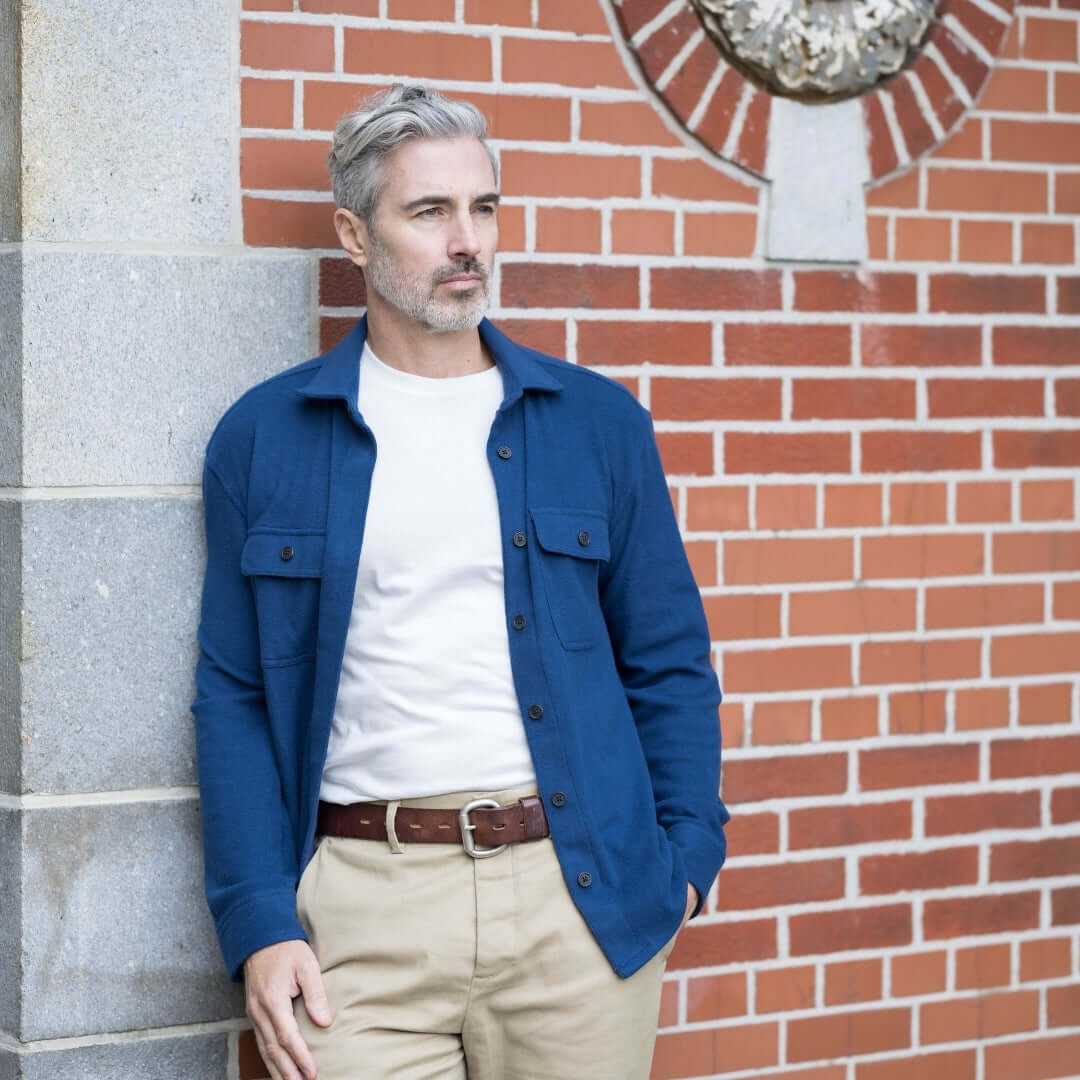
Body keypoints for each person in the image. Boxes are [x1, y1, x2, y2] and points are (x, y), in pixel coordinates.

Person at [192, 84, 729, 1080]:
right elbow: (233, 697)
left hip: (579, 904)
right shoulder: (264, 440)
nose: (468, 240)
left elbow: (669, 661)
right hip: (364, 913)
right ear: (354, 234)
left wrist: (690, 856)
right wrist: (258, 918)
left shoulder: (597, 426)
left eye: (483, 207)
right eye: (429, 212)